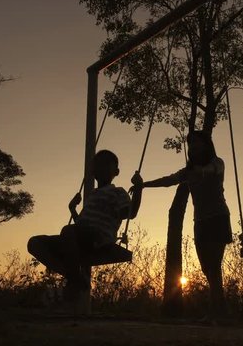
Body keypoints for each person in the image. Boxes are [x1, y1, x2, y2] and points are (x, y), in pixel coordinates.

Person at [28, 150, 143, 304]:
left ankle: (74, 281)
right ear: (93, 171)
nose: (100, 168)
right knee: (35, 243)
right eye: (97, 165)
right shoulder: (92, 196)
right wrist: (72, 209)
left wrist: (139, 188)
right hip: (82, 237)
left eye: (105, 164)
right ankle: (75, 277)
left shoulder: (117, 192)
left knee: (68, 231)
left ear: (116, 171)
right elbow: (81, 225)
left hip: (100, 239)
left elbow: (131, 213)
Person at [141, 131, 231, 318]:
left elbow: (211, 171)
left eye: (197, 143)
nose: (193, 147)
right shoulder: (187, 172)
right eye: (191, 144)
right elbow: (168, 181)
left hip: (218, 218)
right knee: (207, 268)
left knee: (213, 267)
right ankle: (219, 310)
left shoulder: (217, 163)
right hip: (200, 222)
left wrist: (197, 171)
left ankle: (217, 312)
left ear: (207, 145)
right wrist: (144, 185)